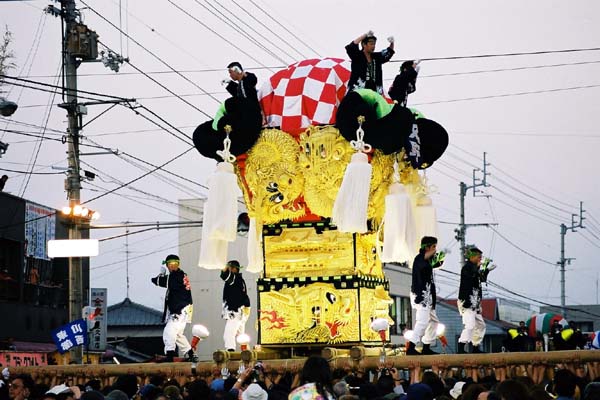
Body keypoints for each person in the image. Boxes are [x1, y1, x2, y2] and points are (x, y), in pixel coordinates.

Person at [151, 254, 196, 362]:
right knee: (178, 334)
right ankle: (191, 354)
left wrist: (161, 275)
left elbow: (156, 281)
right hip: (184, 309)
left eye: (174, 263)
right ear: (167, 265)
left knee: (169, 331)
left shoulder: (176, 276)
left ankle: (170, 356)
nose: (172, 266)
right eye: (170, 264)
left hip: (179, 309)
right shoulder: (181, 275)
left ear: (178, 264)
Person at [407, 236, 444, 355]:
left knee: (434, 322)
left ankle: (426, 346)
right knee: (422, 321)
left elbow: (436, 263)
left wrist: (440, 258)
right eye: (433, 247)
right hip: (421, 294)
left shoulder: (427, 261)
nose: (435, 249)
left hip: (428, 296)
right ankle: (411, 347)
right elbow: (423, 261)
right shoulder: (419, 259)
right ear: (427, 247)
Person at [457, 246, 495, 353]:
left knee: (480, 325)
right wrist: (478, 267)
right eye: (479, 257)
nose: (480, 259)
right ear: (472, 257)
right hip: (467, 301)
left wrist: (486, 270)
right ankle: (461, 346)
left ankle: (475, 346)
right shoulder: (467, 268)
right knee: (470, 325)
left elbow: (481, 279)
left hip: (475, 302)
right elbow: (470, 277)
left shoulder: (474, 268)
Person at [345, 31, 395, 95]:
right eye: (371, 44)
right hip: (358, 90)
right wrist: (364, 35)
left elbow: (388, 53)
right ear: (364, 44)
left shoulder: (376, 57)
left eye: (374, 44)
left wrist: (392, 43)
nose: (373, 46)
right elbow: (350, 47)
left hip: (374, 91)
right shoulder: (357, 56)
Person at [221, 260, 251, 351]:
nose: (228, 270)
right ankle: (246, 350)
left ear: (234, 269)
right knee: (240, 334)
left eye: (229, 268)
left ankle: (230, 350)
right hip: (242, 309)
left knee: (228, 333)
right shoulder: (239, 279)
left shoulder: (235, 278)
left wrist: (223, 266)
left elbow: (224, 275)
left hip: (236, 310)